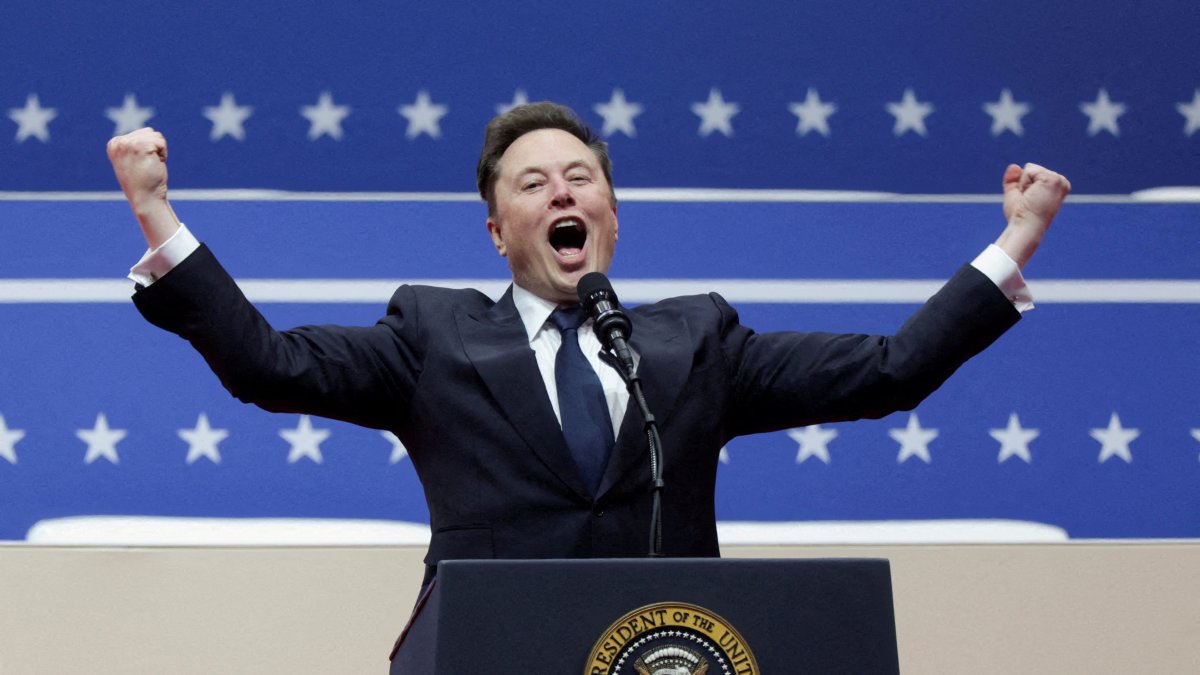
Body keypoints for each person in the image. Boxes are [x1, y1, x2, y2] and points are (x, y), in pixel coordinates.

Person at [107, 102, 1070, 594]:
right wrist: (157, 211)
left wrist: (1014, 242)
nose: (563, 194)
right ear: (495, 230)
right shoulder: (431, 334)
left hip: (666, 652)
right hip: (489, 652)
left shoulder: (698, 339)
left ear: (612, 211)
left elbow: (889, 370)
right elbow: (270, 364)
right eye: (534, 184)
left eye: (581, 178)